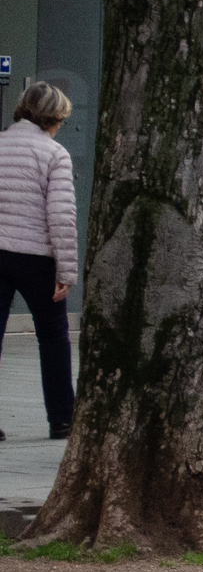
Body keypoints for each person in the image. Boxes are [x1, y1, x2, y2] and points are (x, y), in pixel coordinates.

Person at [0, 81, 80, 442]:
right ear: (54, 117)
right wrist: (65, 271)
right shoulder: (54, 154)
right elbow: (61, 217)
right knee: (53, 338)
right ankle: (62, 419)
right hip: (36, 259)